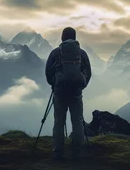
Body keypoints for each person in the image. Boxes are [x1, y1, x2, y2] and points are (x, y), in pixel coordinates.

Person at [45, 27, 92, 161]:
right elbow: (88, 73)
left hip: (59, 93)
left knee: (59, 123)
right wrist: (81, 86)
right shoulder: (82, 54)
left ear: (62, 37)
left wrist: (54, 84)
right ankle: (77, 153)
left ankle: (58, 153)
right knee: (77, 122)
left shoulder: (55, 53)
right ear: (75, 37)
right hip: (76, 93)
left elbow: (48, 72)